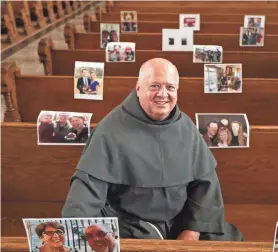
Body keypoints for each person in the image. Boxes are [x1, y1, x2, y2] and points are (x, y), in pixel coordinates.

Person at [62, 58, 243, 241]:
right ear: (138, 88)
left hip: (182, 222)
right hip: (130, 227)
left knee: (230, 243)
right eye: (155, 86)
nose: (163, 94)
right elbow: (85, 193)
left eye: (170, 87)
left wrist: (192, 231)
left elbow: (206, 186)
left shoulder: (186, 127)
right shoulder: (109, 130)